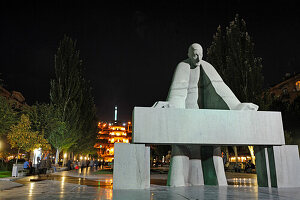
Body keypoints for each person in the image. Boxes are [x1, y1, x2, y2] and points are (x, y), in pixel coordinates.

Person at [154, 43, 258, 187]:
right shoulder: (182, 66)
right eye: (195, 54)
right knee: (184, 148)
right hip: (187, 115)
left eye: (201, 54)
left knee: (212, 148)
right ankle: (182, 181)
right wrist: (170, 105)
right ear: (189, 54)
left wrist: (237, 106)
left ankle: (213, 180)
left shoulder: (207, 66)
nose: (198, 58)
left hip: (206, 118)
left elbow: (222, 89)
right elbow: (177, 91)